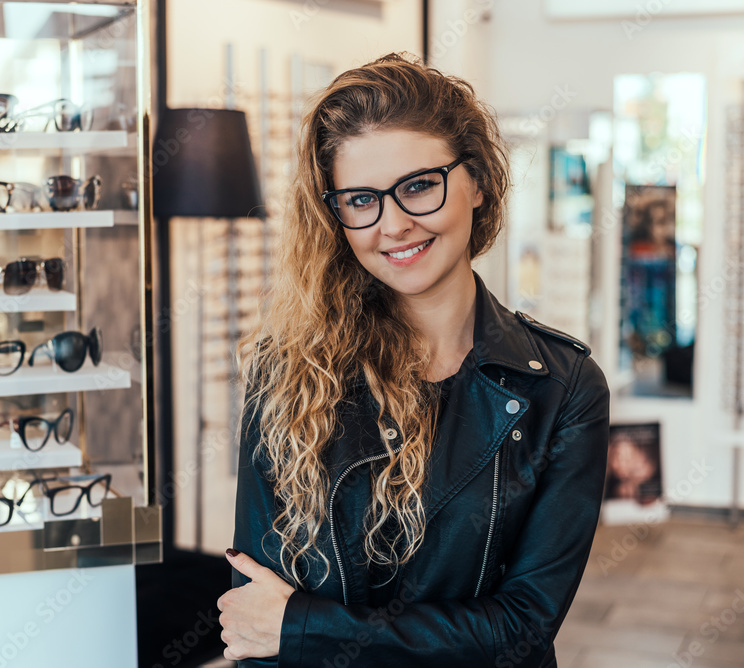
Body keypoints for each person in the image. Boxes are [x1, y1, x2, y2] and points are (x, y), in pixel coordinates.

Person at [216, 53, 610, 667]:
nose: (393, 224)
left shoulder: (562, 388)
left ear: (477, 182)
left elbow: (523, 626)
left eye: (419, 186)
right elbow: (253, 613)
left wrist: (308, 628)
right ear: (335, 214)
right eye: (361, 199)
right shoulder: (288, 369)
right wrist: (286, 628)